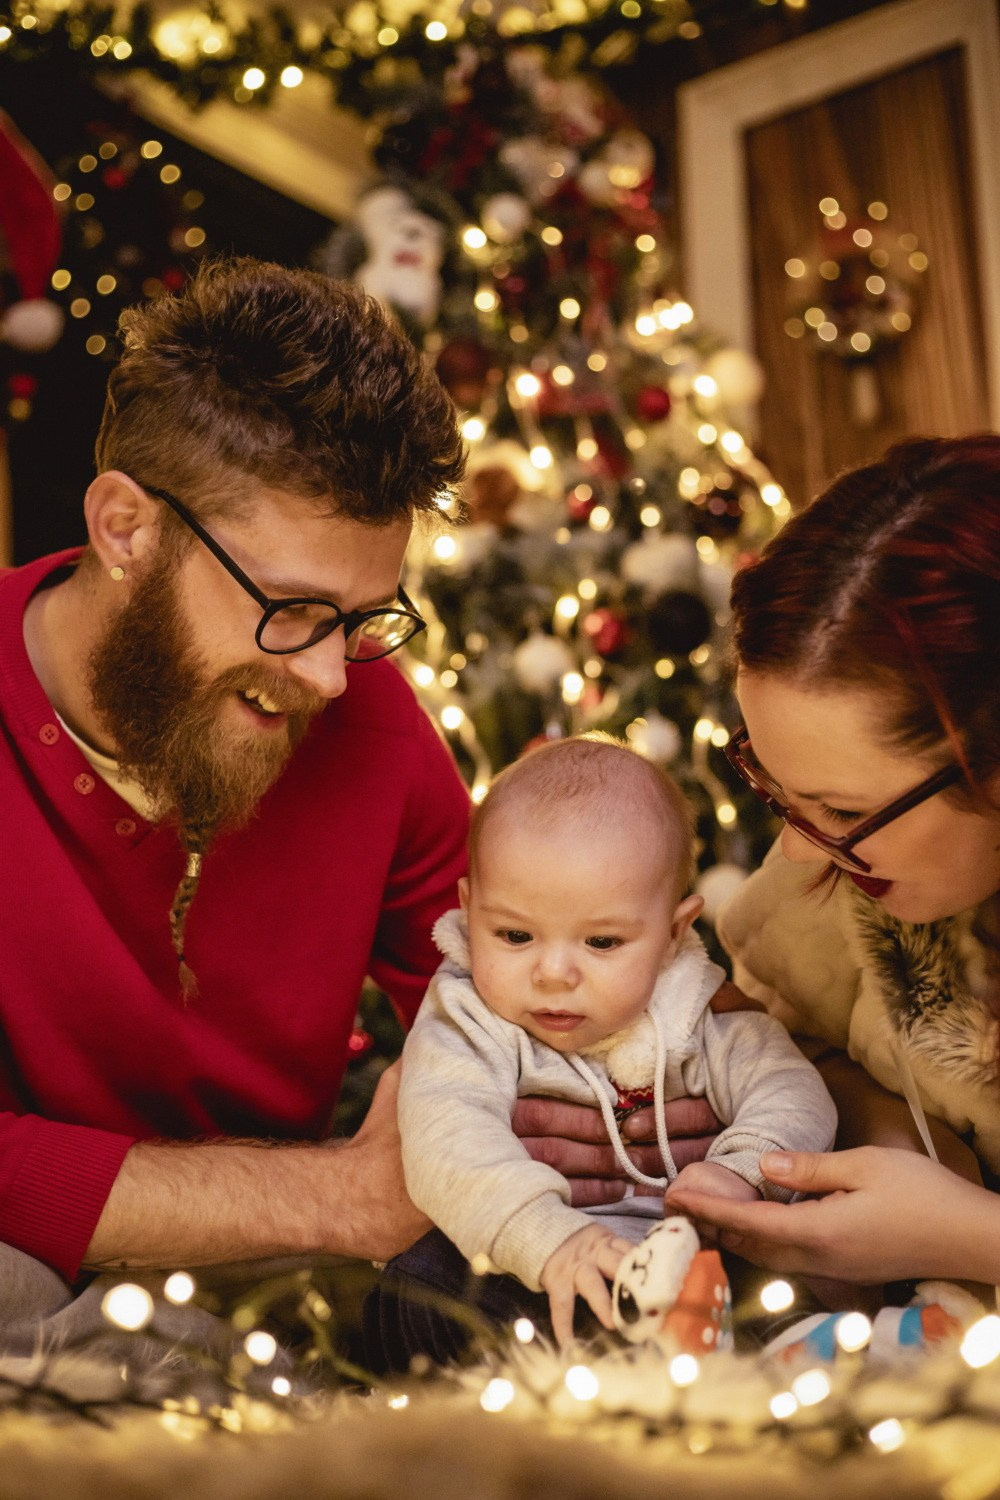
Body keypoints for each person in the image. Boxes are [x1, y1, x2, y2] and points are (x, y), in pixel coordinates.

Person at [0, 258, 718, 1377]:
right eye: (293, 610)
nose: (335, 677)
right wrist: (332, 1195)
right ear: (126, 529)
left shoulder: (360, 716)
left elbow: (515, 994)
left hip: (253, 1282)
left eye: (363, 617)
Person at [666, 435, 1000, 1292]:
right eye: (776, 788)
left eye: (845, 812)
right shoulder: (827, 889)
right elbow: (793, 1041)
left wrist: (966, 1236)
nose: (806, 843)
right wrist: (891, 1134)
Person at [396, 737, 836, 1347]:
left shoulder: (696, 1008)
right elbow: (447, 1138)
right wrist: (549, 1238)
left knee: (773, 1282)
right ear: (471, 912)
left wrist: (739, 1173)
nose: (552, 972)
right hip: (539, 1255)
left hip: (694, 1255)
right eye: (514, 934)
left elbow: (793, 1092)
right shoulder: (469, 1013)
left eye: (601, 943)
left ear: (673, 934)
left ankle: (817, 1347)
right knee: (422, 1287)